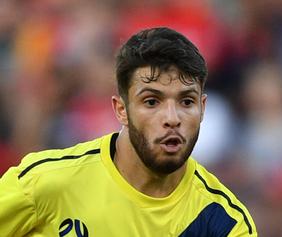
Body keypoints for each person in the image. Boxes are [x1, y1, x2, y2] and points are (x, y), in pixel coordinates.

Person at [0, 27, 257, 236]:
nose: (172, 118)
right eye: (151, 101)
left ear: (202, 109)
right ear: (121, 109)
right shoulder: (44, 183)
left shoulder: (223, 224)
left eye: (186, 101)